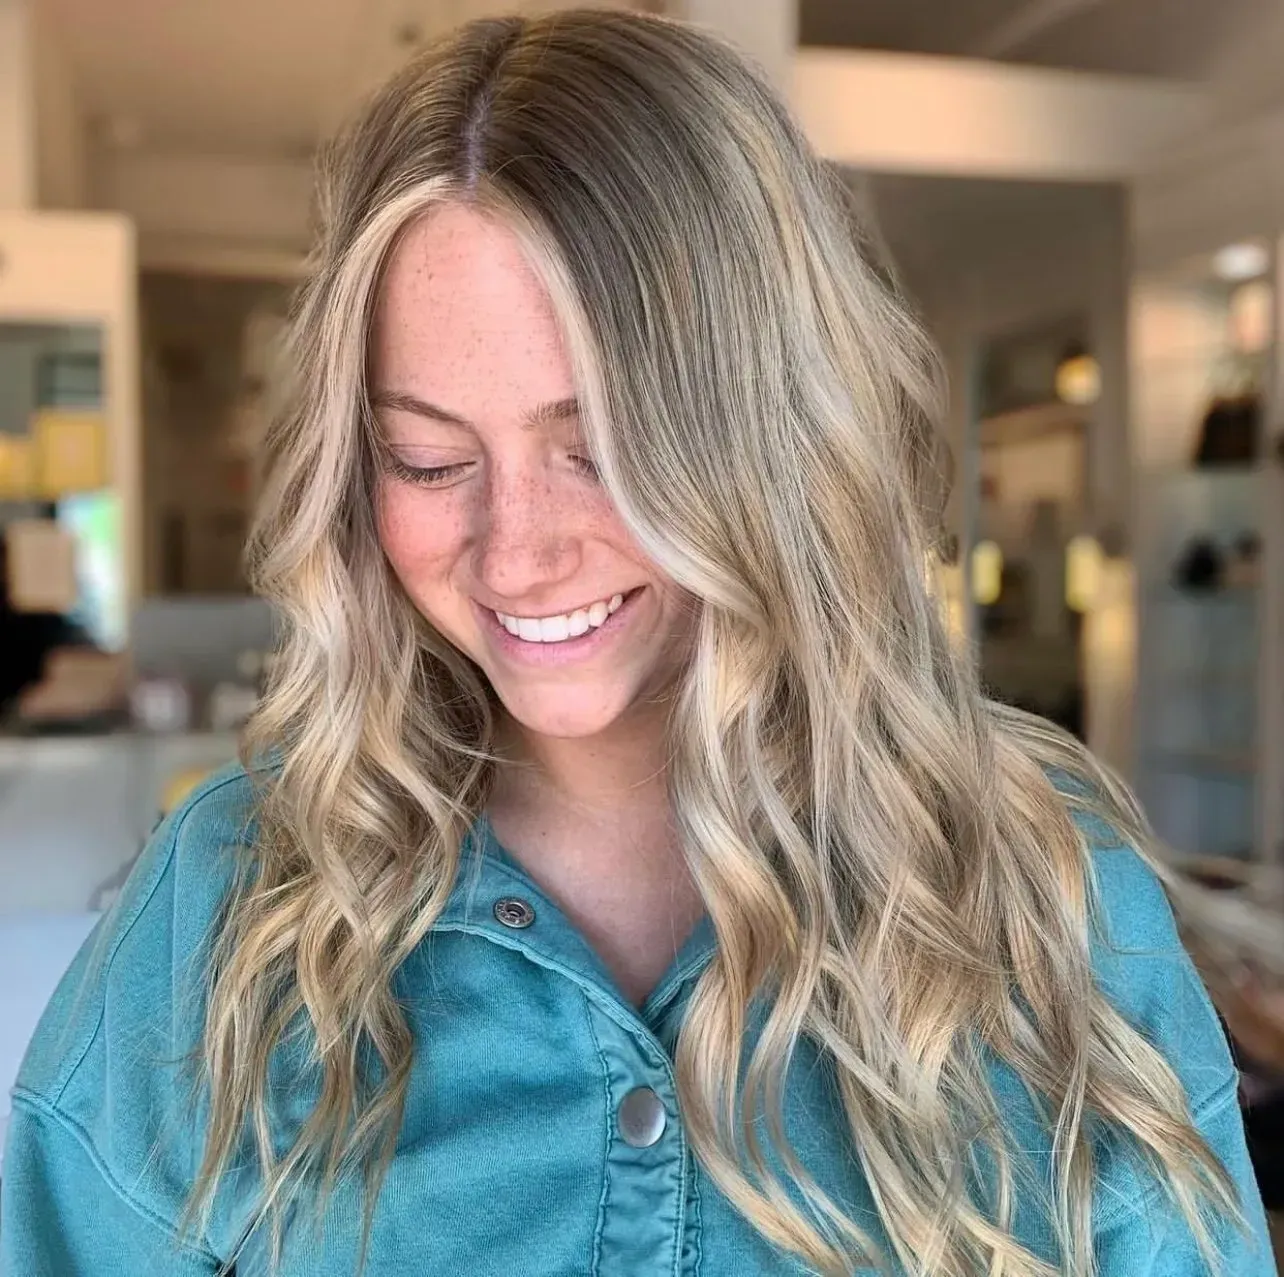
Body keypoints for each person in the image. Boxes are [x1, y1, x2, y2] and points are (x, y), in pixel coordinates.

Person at [1, 11, 1276, 1276]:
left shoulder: (1041, 887)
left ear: (772, 435)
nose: (515, 553)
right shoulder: (230, 900)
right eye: (431, 458)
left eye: (601, 447)